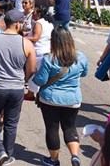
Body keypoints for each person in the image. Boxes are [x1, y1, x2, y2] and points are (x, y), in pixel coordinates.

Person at [0, 9, 36, 166]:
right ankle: (8, 155)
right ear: (18, 24)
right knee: (11, 123)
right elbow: (31, 69)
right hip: (16, 88)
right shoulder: (26, 44)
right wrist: (23, 79)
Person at [33, 27, 88, 166]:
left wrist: (34, 73)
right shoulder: (80, 57)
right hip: (73, 100)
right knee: (70, 128)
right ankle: (75, 156)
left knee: (52, 129)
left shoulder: (49, 59)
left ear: (54, 42)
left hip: (50, 99)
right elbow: (84, 73)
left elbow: (40, 81)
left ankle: (54, 160)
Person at [24, 8, 54, 100]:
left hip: (38, 51)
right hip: (46, 49)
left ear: (39, 13)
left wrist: (22, 38)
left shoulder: (39, 23)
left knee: (33, 71)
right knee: (43, 73)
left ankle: (30, 93)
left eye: (34, 12)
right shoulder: (49, 22)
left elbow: (36, 38)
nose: (32, 14)